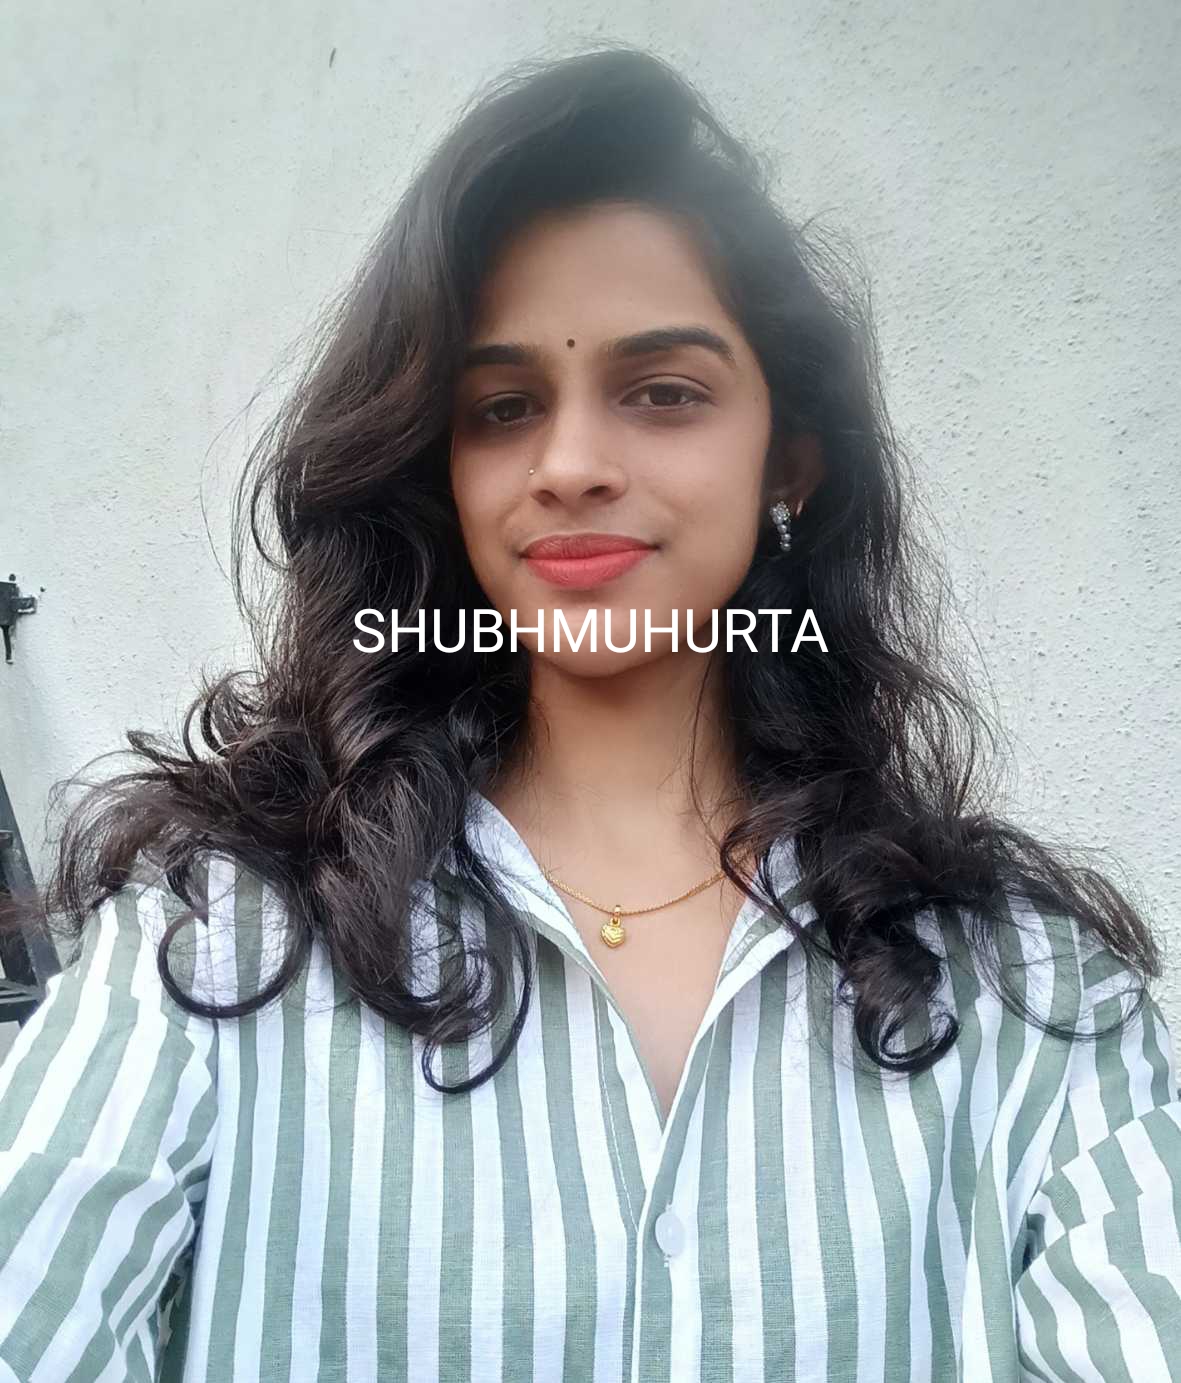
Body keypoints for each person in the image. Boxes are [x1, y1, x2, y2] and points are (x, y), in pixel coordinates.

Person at [1, 43, 1179, 1383]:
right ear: (440, 473)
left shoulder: (1027, 994)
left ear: (788, 460)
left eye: (663, 392)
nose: (567, 465)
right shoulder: (215, 951)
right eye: (502, 408)